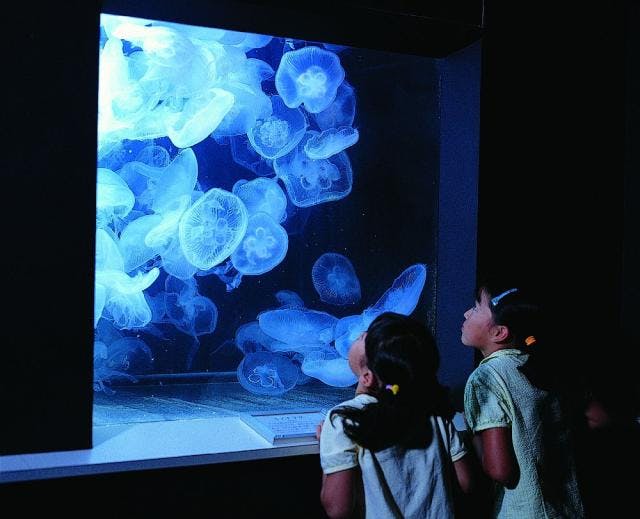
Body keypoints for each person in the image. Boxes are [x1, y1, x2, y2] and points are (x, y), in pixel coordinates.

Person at [317, 311, 476, 519]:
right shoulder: (434, 415)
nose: (362, 332)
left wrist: (327, 447)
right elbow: (466, 483)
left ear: (367, 377)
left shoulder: (343, 421)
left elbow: (338, 509)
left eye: (365, 337)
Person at [461, 282, 584, 518]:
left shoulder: (486, 377)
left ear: (499, 332)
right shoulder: (541, 368)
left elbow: (501, 471)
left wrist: (475, 433)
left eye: (476, 308)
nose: (467, 313)